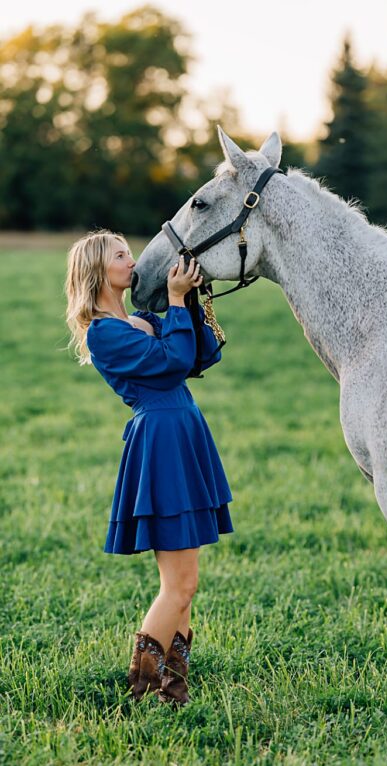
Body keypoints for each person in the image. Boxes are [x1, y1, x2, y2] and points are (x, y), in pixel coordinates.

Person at [64, 230, 233, 704]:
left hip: (182, 434)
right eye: (121, 255)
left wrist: (190, 299)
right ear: (98, 270)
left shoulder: (139, 319)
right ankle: (141, 686)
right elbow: (173, 362)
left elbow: (200, 354)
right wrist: (174, 303)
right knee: (177, 585)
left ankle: (172, 685)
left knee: (187, 583)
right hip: (160, 442)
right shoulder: (104, 332)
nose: (132, 260)